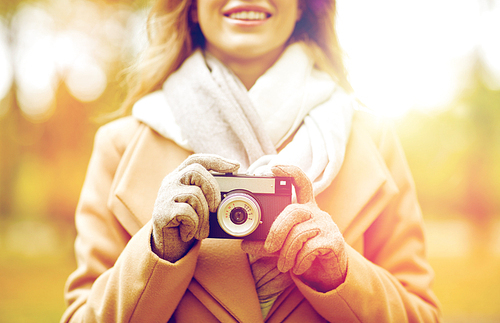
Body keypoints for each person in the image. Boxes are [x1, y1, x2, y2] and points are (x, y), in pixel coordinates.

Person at [61, 0, 441, 322]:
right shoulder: (120, 144)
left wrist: (342, 274)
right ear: (191, 8)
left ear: (303, 8)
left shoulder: (372, 139)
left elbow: (422, 313)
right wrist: (157, 254)